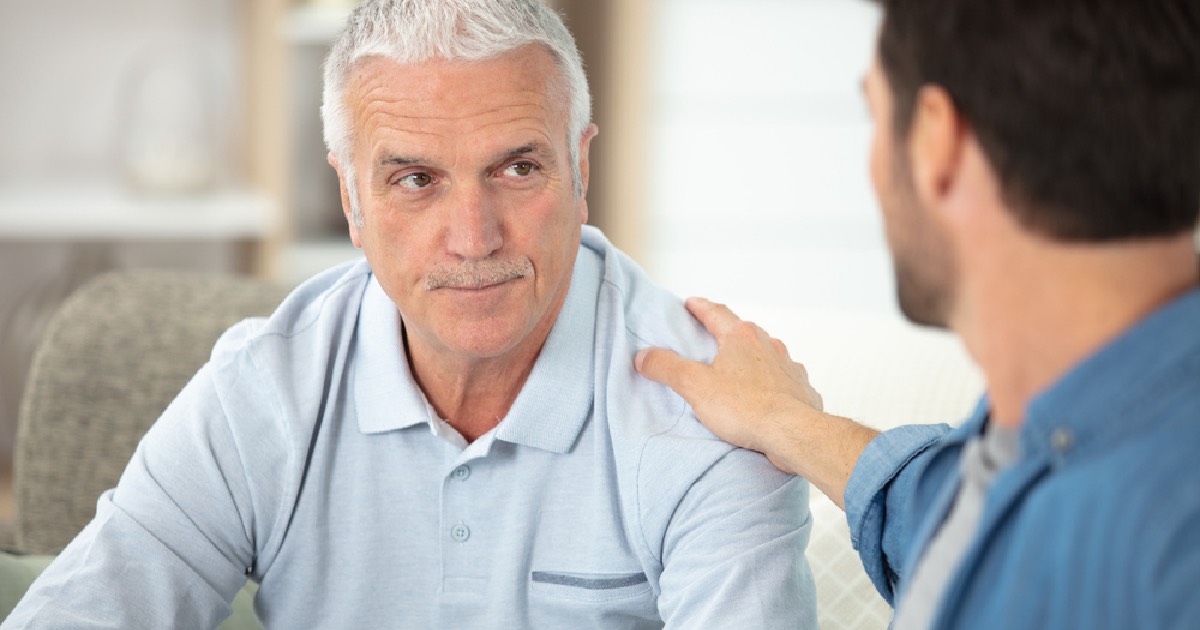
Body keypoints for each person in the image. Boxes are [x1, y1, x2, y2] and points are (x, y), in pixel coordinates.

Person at [3, 1, 817, 628]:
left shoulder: (711, 419)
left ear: (579, 166)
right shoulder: (262, 391)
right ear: (351, 198)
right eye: (416, 180)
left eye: (517, 167)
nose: (473, 238)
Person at [637, 0, 1200, 628]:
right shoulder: (1039, 429)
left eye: (875, 114)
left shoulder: (1160, 546)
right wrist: (783, 421)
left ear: (938, 141)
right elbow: (942, 505)